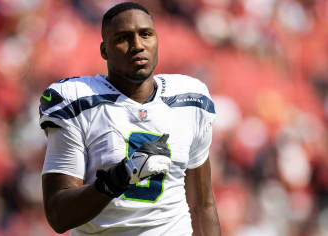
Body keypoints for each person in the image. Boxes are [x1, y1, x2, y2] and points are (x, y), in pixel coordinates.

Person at [39, 2, 221, 235]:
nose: (137, 45)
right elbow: (58, 215)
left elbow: (201, 205)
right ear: (105, 50)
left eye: (146, 34)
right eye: (124, 38)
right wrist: (119, 178)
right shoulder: (78, 102)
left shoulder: (189, 100)